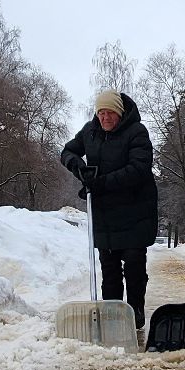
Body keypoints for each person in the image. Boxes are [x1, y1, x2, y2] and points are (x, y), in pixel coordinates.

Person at [60, 90, 159, 328]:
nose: (105, 118)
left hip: (135, 210)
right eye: (101, 113)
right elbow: (67, 151)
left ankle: (135, 311)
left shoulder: (137, 132)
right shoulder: (90, 131)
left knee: (134, 265)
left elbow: (139, 169)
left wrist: (100, 182)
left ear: (120, 113)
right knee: (109, 268)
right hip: (104, 213)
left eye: (110, 113)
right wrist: (78, 167)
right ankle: (113, 315)